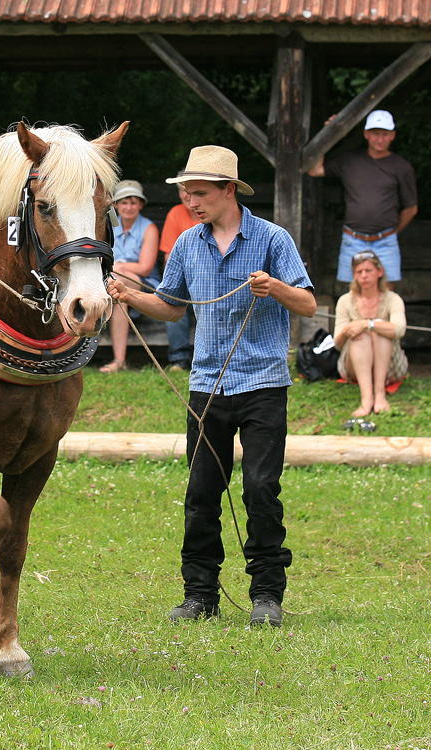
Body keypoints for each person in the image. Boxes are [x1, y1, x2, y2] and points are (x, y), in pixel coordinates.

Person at [108, 145, 316, 628]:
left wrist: (276, 289)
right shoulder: (186, 243)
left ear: (228, 190)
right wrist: (131, 295)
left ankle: (267, 594)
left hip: (264, 384)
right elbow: (172, 307)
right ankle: (200, 594)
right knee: (202, 492)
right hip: (206, 387)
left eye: (199, 192)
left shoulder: (272, 239)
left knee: (261, 489)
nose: (190, 200)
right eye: (185, 191)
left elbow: (305, 304)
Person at [306, 110, 418, 289]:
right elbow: (315, 170)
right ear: (366, 134)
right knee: (351, 293)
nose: (380, 139)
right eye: (375, 134)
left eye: (385, 134)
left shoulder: (402, 167)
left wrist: (392, 233)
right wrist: (328, 134)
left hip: (386, 240)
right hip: (353, 238)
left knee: (386, 294)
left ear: (393, 136)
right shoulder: (350, 160)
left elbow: (411, 208)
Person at [333, 250, 407, 417]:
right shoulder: (345, 300)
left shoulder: (393, 299)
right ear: (354, 275)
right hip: (353, 365)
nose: (364, 276)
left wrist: (368, 324)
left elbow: (399, 330)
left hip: (391, 367)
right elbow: (337, 344)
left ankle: (380, 395)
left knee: (379, 328)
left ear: (380, 272)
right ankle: (366, 399)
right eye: (359, 272)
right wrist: (350, 328)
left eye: (369, 271)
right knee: (361, 334)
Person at [98, 179, 161, 374]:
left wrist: (119, 266)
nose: (129, 207)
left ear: (141, 205)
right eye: (124, 202)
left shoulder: (149, 228)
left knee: (120, 282)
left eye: (134, 202)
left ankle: (119, 360)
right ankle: (115, 359)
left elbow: (145, 267)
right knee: (117, 288)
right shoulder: (107, 225)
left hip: (143, 283)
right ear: (115, 204)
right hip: (112, 280)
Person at [159, 183, 200, 371]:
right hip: (184, 278)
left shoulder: (211, 214)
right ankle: (179, 359)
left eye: (191, 189)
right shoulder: (175, 213)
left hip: (209, 280)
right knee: (173, 302)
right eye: (183, 190)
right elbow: (168, 257)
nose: (187, 195)